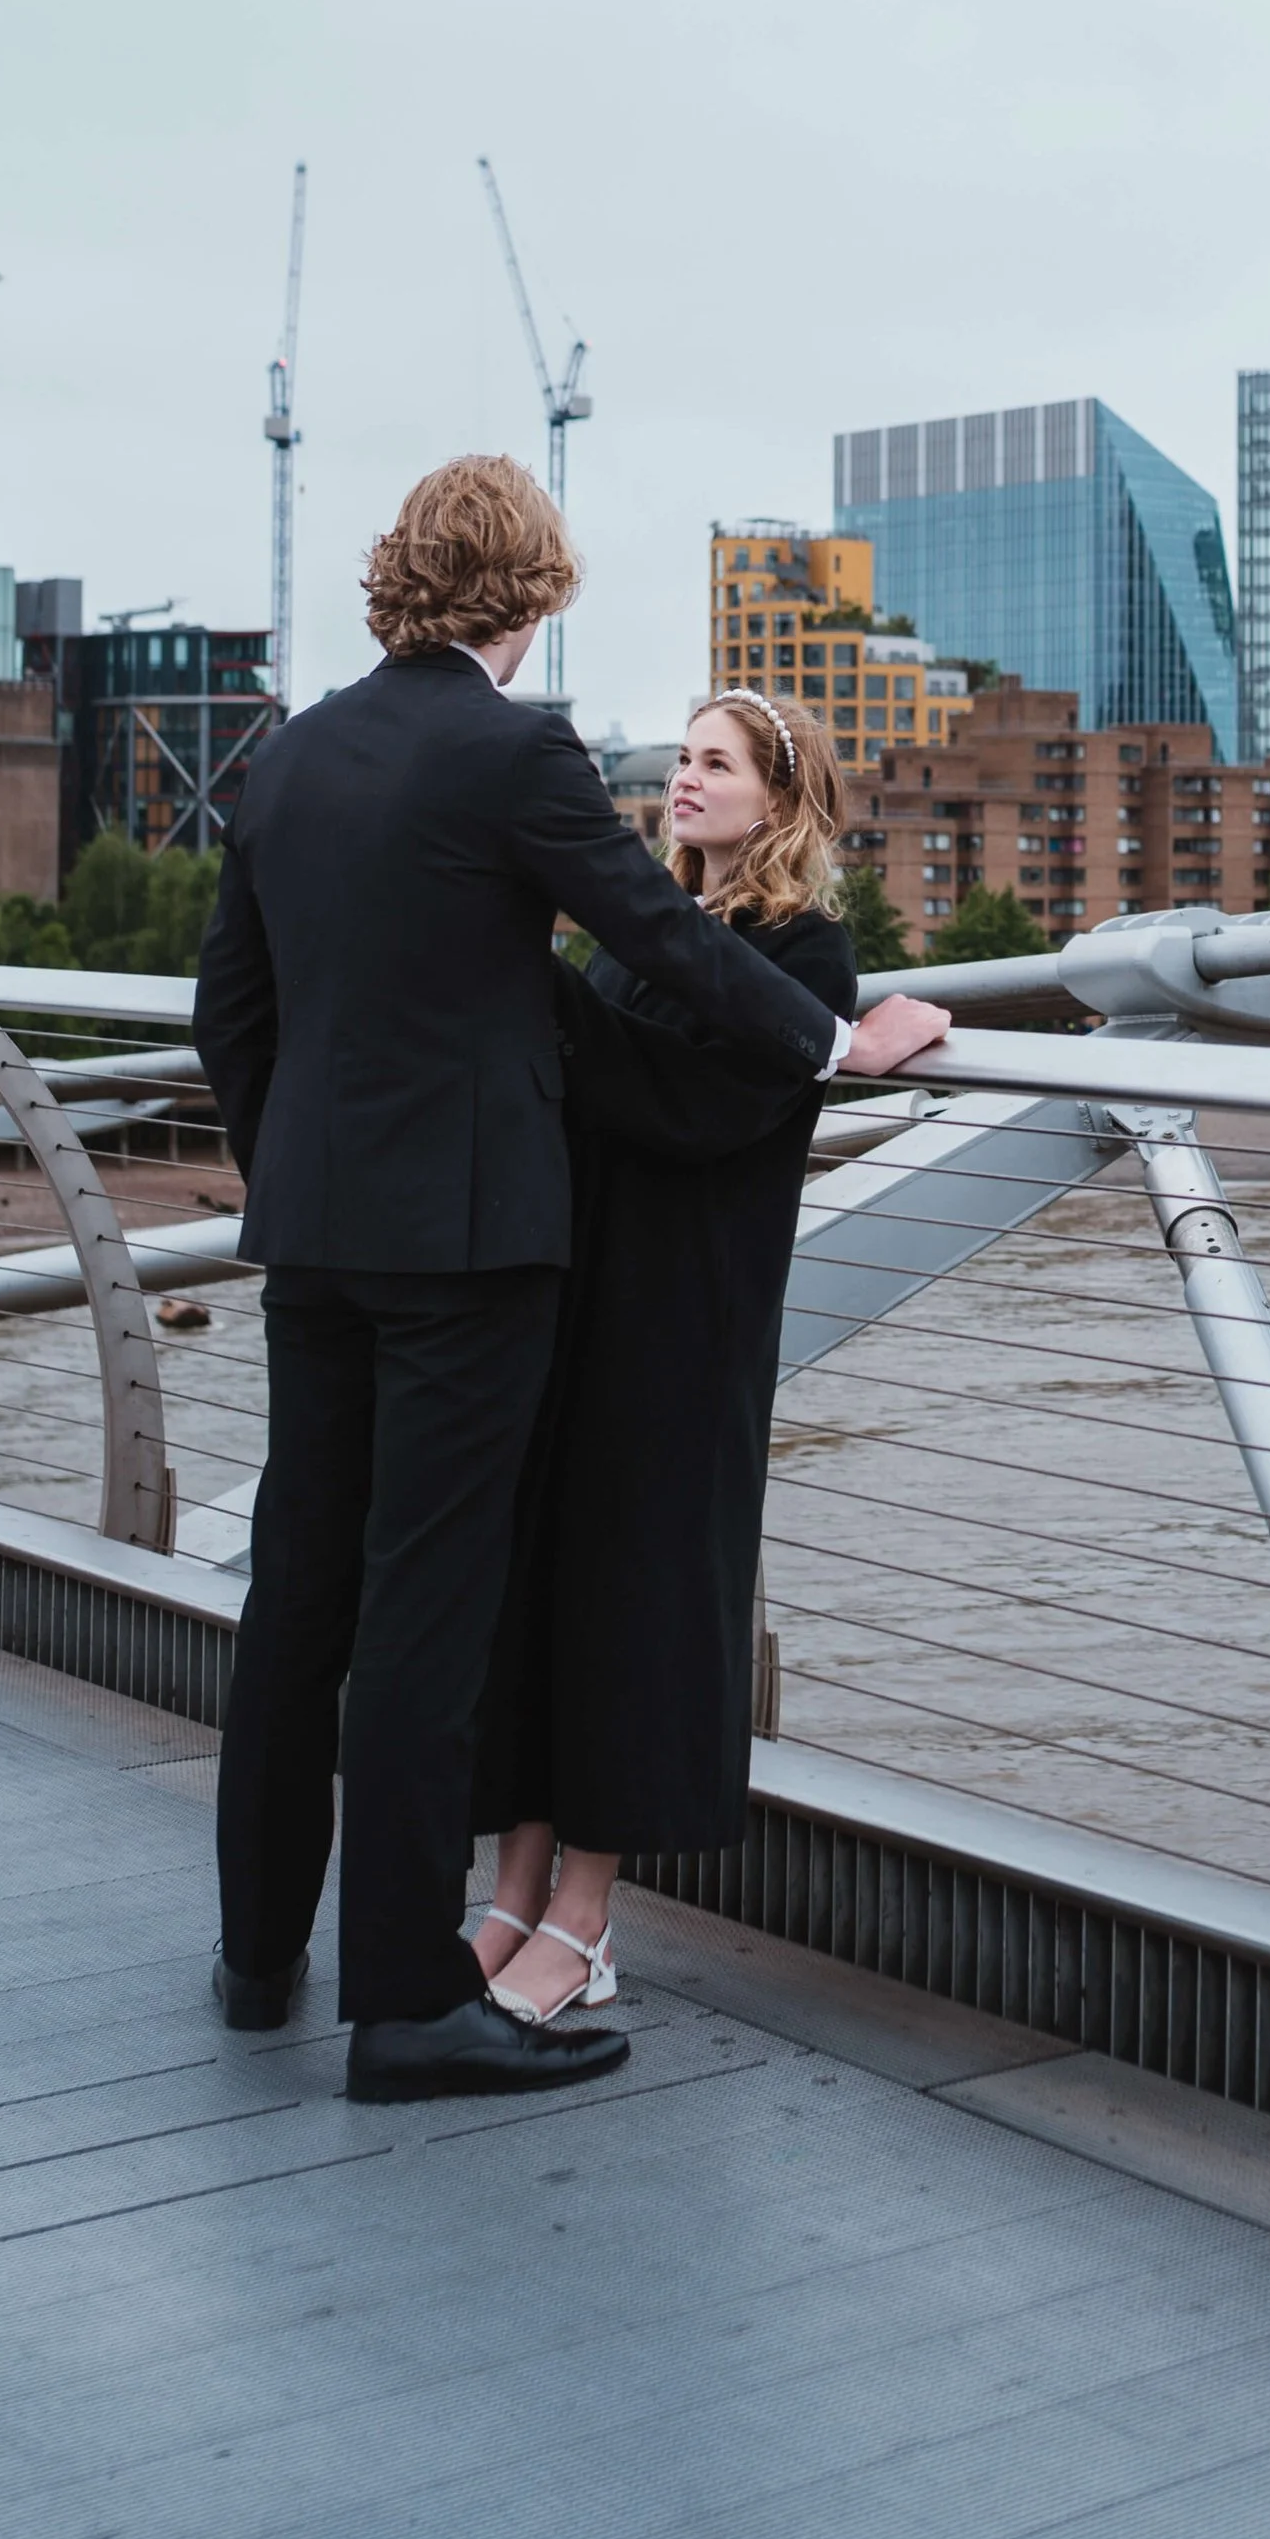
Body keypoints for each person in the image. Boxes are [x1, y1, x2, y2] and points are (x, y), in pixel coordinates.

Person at [192, 458, 949, 2106]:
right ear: (529, 595)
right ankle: (405, 2002)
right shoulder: (510, 747)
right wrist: (840, 1038)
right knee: (422, 1615)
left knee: (298, 1590)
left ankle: (261, 1962)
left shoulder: (295, 749)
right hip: (467, 1251)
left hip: (313, 1238)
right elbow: (661, 940)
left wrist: (298, 1177)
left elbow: (231, 1016)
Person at [466, 689, 853, 2023]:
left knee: (633, 1603)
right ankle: (511, 1890)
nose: (685, 782)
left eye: (717, 764)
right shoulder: (645, 940)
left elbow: (688, 1106)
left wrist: (542, 986)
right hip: (580, 1303)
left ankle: (588, 1914)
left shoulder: (805, 958)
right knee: (542, 1592)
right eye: (682, 759)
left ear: (780, 801)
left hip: (682, 1325)